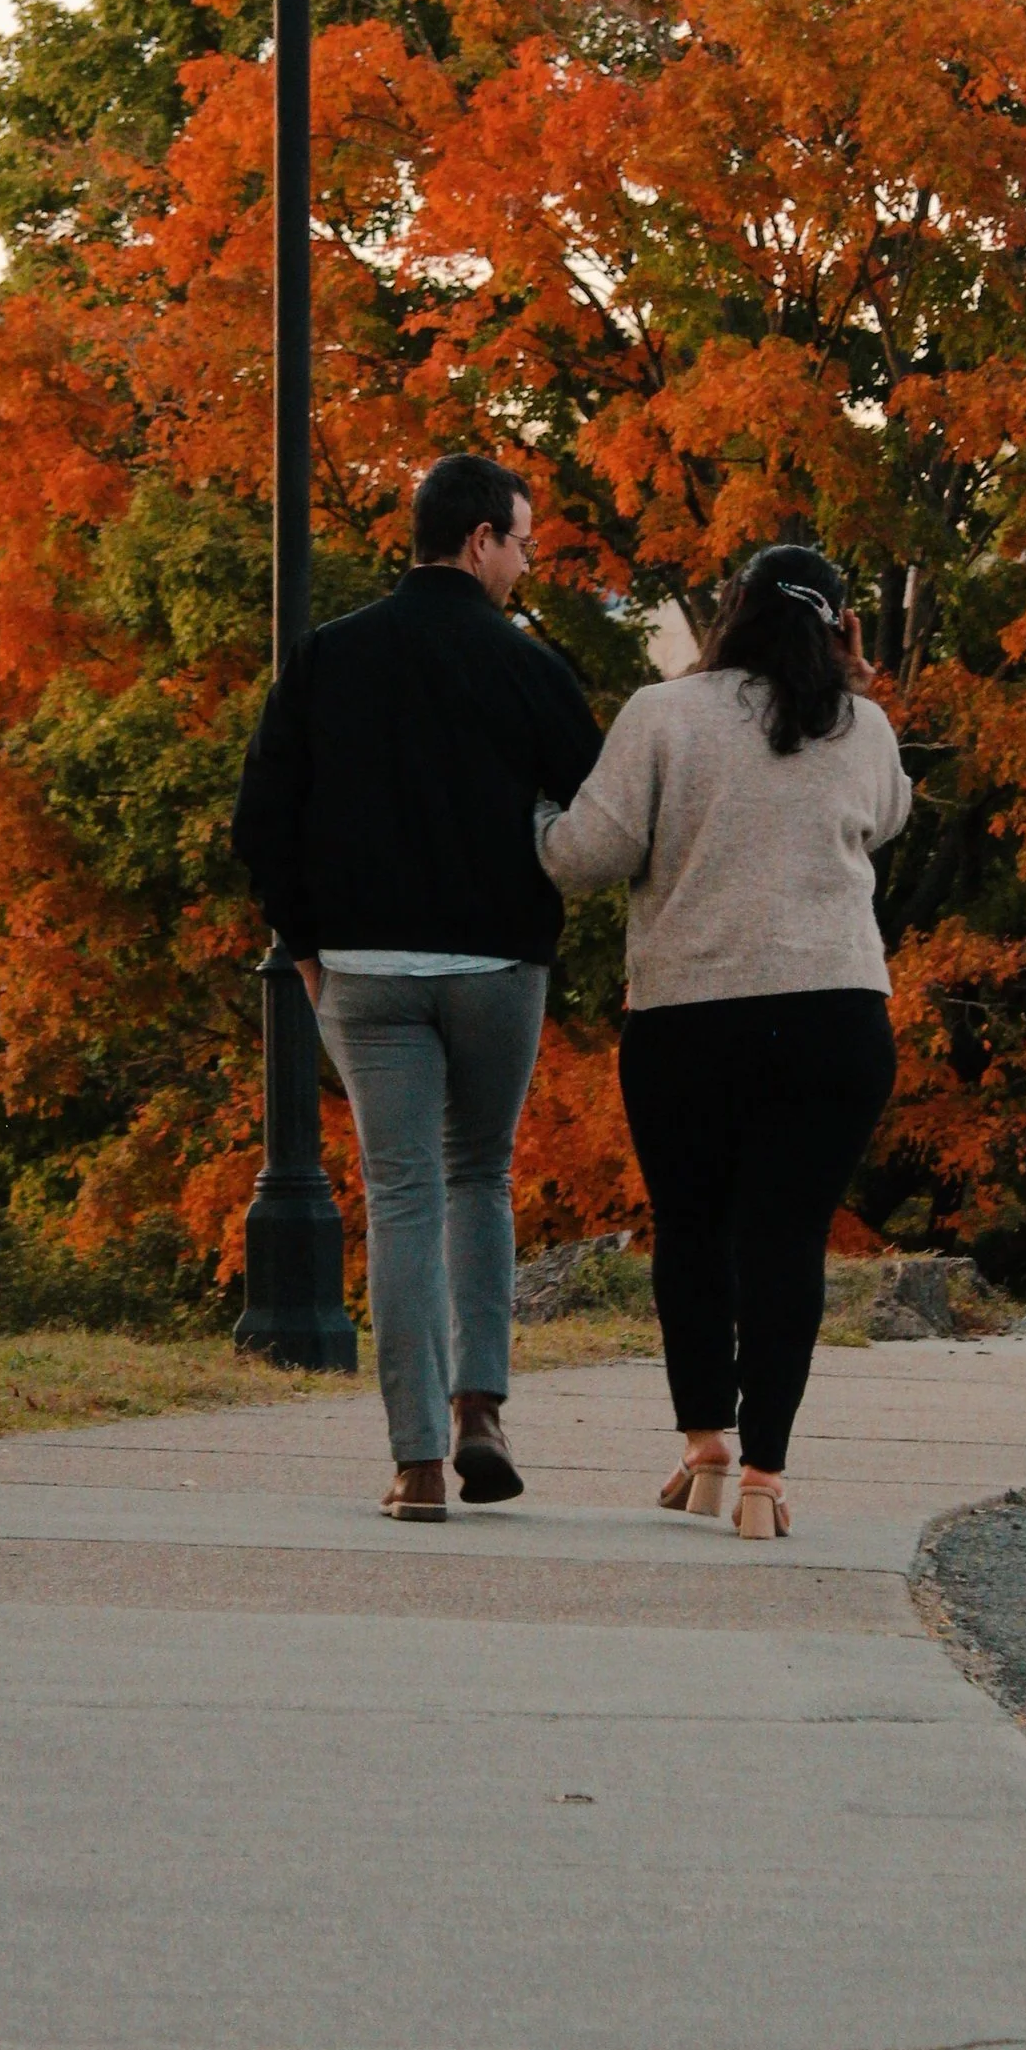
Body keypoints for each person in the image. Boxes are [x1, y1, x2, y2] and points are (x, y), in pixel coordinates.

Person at [232, 453, 603, 1522]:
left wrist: (307, 946)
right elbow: (594, 811)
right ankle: (479, 1407)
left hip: (362, 967)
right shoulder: (526, 666)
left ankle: (416, 1466)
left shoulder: (328, 657)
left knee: (398, 1200)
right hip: (495, 965)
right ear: (481, 539)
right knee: (476, 1177)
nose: (524, 567)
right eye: (522, 544)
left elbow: (263, 821)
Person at [538, 544, 911, 1541]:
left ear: (729, 611)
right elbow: (883, 822)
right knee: (787, 1240)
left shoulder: (663, 716)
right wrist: (858, 687)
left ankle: (705, 1442)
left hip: (690, 1014)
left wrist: (537, 819)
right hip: (835, 1013)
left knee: (692, 1227)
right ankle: (764, 1477)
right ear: (839, 631)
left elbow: (587, 855)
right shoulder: (862, 725)